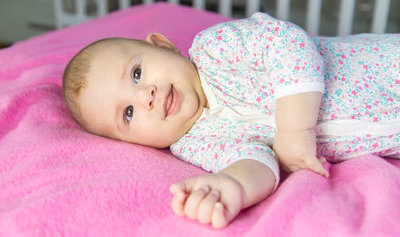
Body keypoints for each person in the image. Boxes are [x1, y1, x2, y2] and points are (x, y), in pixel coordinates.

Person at [62, 12, 400, 228]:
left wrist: (295, 128)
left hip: (386, 67)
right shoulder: (193, 142)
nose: (145, 96)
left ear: (163, 47)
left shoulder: (213, 49)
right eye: (128, 113)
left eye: (137, 73)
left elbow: (286, 42)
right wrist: (232, 186)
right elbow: (253, 161)